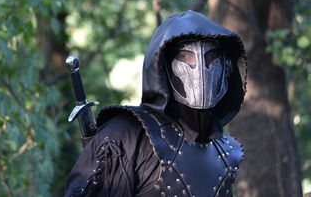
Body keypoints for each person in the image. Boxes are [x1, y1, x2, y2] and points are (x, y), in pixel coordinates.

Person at [64, 10, 246, 197]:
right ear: (163, 66)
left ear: (227, 66)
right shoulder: (126, 134)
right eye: (185, 57)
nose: (200, 70)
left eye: (211, 57)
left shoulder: (223, 151)